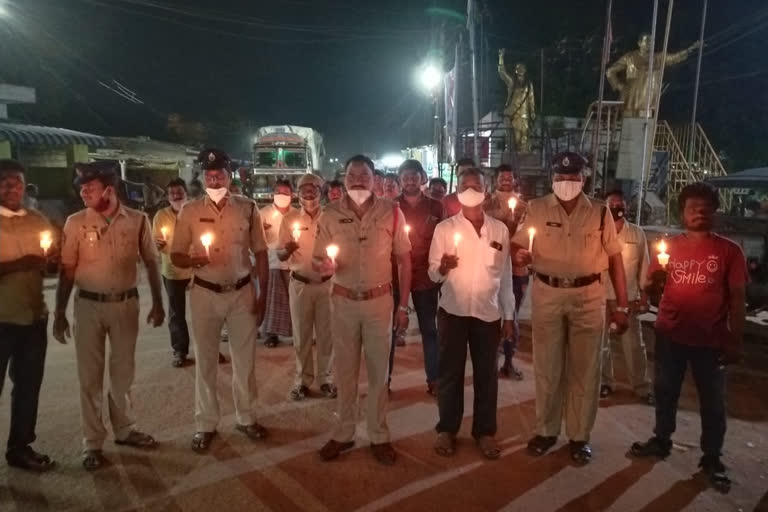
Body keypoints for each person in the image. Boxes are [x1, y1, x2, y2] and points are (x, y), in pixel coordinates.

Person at [511, 152, 629, 465]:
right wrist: (520, 256)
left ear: (584, 178)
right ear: (552, 178)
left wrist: (623, 305)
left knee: (585, 369)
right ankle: (546, 431)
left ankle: (579, 437)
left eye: (573, 177)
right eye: (561, 178)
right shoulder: (536, 209)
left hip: (588, 297)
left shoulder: (601, 213)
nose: (567, 183)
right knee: (547, 368)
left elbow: (615, 259)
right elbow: (517, 245)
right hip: (547, 294)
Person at [630, 183, 747, 492]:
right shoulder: (668, 248)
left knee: (712, 402)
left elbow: (737, 298)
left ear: (714, 212)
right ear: (681, 212)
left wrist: (735, 339)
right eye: (692, 207)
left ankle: (711, 457)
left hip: (711, 340)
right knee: (666, 391)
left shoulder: (729, 251)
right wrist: (654, 283)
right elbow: (653, 293)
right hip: (670, 333)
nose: (699, 212)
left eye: (705, 207)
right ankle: (661, 438)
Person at [54, 161, 165, 471]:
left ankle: (125, 430)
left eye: (89, 188)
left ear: (109, 190)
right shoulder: (75, 223)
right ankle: (92, 443)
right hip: (87, 306)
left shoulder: (139, 220)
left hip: (126, 305)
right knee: (89, 376)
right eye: (81, 188)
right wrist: (59, 312)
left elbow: (152, 263)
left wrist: (158, 302)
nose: (83, 193)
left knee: (122, 372)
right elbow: (67, 269)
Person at [313, 154, 411, 466]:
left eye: (364, 174)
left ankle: (378, 434)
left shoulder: (392, 213)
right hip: (342, 302)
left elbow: (404, 260)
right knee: (345, 371)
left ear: (375, 179)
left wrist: (403, 306)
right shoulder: (329, 214)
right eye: (352, 174)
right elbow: (318, 260)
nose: (358, 179)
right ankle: (343, 433)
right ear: (344, 178)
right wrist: (324, 267)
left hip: (379, 303)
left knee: (379, 372)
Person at [171, 148, 269, 453]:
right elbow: (175, 253)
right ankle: (205, 423)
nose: (215, 180)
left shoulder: (248, 208)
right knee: (206, 360)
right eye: (210, 175)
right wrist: (191, 260)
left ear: (230, 176)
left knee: (244, 361)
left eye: (220, 175)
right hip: (204, 293)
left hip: (241, 292)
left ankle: (246, 417)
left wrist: (262, 293)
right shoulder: (188, 211)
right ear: (202, 178)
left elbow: (262, 253)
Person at [428, 166, 515, 460]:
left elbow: (505, 276)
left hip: (487, 315)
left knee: (486, 376)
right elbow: (432, 274)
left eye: (476, 185)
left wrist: (510, 315)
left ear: (486, 189)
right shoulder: (445, 229)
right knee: (450, 373)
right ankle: (447, 429)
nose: (470, 189)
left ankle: (485, 432)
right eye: (464, 185)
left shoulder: (500, 230)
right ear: (457, 191)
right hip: (452, 312)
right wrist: (443, 267)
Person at [0, 160, 56, 472]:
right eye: (6, 182)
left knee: (28, 386)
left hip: (34, 317)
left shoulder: (36, 219)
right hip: (1, 320)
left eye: (18, 182)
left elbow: (46, 258)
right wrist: (22, 263)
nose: (13, 188)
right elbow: (26, 262)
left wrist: (50, 261)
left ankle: (20, 447)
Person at [277, 173, 337, 401]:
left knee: (326, 335)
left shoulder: (331, 217)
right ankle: (302, 380)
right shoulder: (289, 219)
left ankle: (326, 379)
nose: (309, 193)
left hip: (327, 285)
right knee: (301, 336)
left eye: (313, 189)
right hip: (300, 284)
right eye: (304, 189)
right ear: (298, 193)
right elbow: (280, 254)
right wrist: (288, 249)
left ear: (321, 192)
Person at [599, 189, 654, 404]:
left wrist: (644, 295)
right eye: (611, 205)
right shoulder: (598, 232)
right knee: (601, 343)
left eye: (619, 204)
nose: (616, 208)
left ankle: (641, 387)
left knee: (633, 345)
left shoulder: (637, 233)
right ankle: (604, 382)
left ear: (626, 207)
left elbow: (644, 266)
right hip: (601, 296)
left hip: (628, 298)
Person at [397, 159, 445, 395]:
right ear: (400, 179)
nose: (410, 180)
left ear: (422, 177)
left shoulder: (436, 207)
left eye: (414, 175)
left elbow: (445, 237)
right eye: (405, 176)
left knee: (429, 329)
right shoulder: (390, 207)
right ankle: (383, 380)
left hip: (427, 277)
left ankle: (434, 379)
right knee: (390, 330)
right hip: (397, 276)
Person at [484, 164, 528, 380]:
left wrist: (515, 232)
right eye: (502, 177)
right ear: (496, 179)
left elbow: (528, 235)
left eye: (510, 177)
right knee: (491, 314)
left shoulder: (524, 207)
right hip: (492, 266)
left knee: (512, 314)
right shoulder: (487, 203)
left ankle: (509, 360)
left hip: (517, 268)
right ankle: (490, 359)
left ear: (515, 180)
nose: (506, 181)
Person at [152, 178, 193, 367]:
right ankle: (179, 350)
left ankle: (207, 349)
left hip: (196, 269)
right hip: (172, 271)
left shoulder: (195, 212)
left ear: (186, 193)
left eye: (179, 191)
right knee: (177, 313)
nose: (176, 195)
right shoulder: (161, 216)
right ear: (167, 197)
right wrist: (157, 245)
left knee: (204, 313)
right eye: (172, 193)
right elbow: (155, 243)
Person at [260, 180, 296, 347]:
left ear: (292, 195)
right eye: (278, 192)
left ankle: (297, 332)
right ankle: (270, 334)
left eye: (286, 193)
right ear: (272, 194)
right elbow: (256, 241)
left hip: (293, 264)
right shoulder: (263, 214)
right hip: (272, 262)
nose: (282, 196)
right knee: (272, 301)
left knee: (293, 301)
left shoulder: (297, 215)